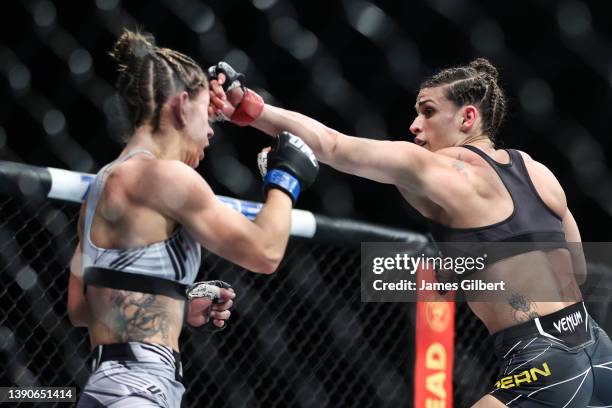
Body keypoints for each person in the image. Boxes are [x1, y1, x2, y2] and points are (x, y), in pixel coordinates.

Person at [207, 59, 612, 407]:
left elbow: (332, 145)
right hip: (598, 347)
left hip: (541, 359)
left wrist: (251, 108)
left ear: (467, 117)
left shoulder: (439, 169)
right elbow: (576, 269)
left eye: (428, 111)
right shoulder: (539, 172)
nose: (415, 125)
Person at [68, 31, 318, 408]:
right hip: (139, 389)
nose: (211, 130)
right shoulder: (167, 177)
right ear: (182, 105)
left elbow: (82, 310)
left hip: (110, 386)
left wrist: (174, 303)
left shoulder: (101, 185)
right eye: (206, 113)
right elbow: (266, 253)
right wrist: (286, 178)